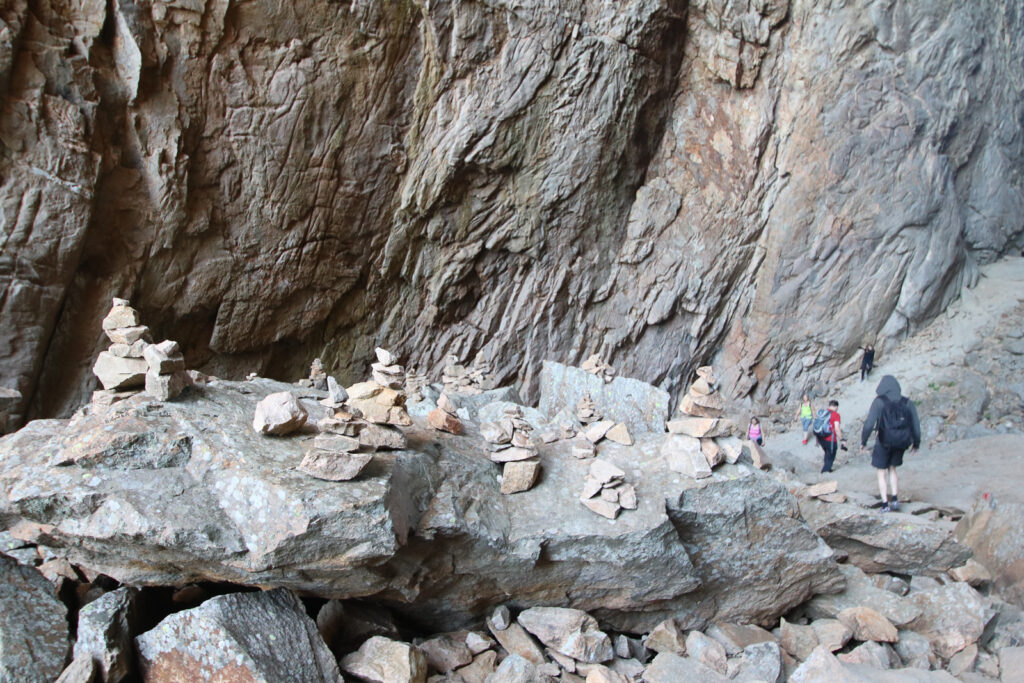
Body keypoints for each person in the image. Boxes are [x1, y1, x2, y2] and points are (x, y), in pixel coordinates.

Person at [861, 375, 921, 512]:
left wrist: (863, 441)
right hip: (901, 442)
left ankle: (884, 503)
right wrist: (916, 444)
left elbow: (869, 424)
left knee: (881, 472)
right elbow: (916, 425)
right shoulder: (907, 402)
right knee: (892, 469)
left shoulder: (879, 402)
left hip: (883, 441)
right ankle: (895, 499)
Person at [813, 399, 844, 473]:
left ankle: (827, 469)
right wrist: (842, 439)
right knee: (831, 455)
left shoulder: (822, 413)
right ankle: (825, 472)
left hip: (821, 439)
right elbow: (837, 428)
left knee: (827, 453)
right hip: (830, 439)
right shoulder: (836, 415)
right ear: (836, 407)